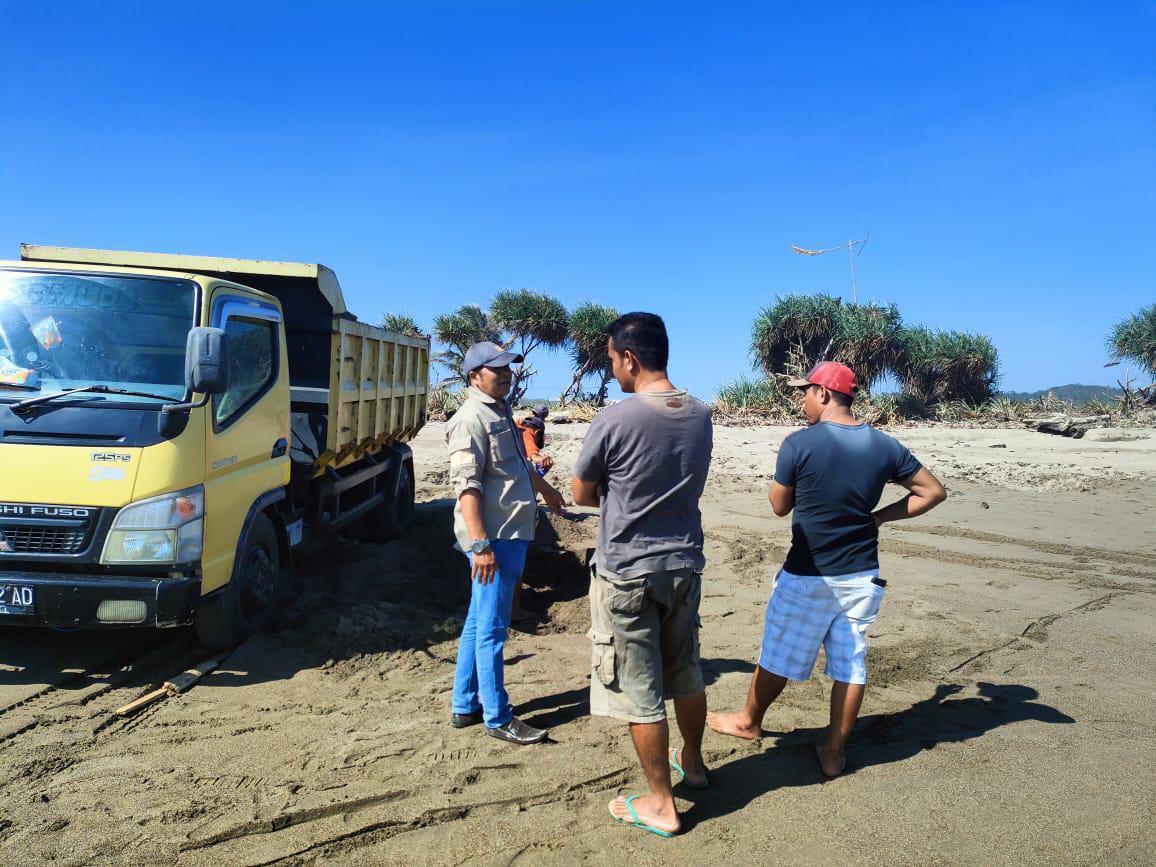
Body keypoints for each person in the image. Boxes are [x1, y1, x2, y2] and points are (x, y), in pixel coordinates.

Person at [707, 361, 946, 777]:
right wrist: (878, 517)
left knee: (777, 653)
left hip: (808, 572)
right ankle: (834, 752)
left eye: (805, 392)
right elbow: (932, 491)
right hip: (862, 572)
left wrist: (790, 470)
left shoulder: (800, 444)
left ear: (823, 393)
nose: (801, 400)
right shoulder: (885, 445)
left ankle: (748, 721)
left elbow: (779, 506)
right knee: (850, 664)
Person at [571, 312, 713, 837]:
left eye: (611, 360)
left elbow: (582, 495)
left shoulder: (616, 417)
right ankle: (693, 764)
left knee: (640, 691)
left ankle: (661, 803)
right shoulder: (701, 413)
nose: (612, 370)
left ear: (629, 357)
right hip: (684, 563)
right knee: (687, 669)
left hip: (628, 569)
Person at [446, 341, 567, 745]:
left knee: (478, 621)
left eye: (509, 369)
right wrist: (481, 546)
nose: (506, 375)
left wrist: (545, 488)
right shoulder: (469, 420)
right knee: (494, 629)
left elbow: (515, 464)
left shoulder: (498, 411)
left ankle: (465, 705)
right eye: (496, 370)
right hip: (494, 539)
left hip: (512, 532)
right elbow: (467, 488)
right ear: (474, 375)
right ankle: (498, 716)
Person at [510, 404, 553, 622]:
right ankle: (514, 610)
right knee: (516, 559)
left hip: (504, 506)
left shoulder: (514, 425)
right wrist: (539, 460)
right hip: (515, 511)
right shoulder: (529, 433)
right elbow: (533, 455)